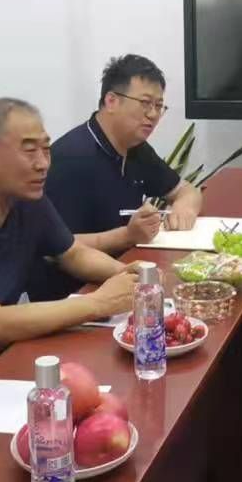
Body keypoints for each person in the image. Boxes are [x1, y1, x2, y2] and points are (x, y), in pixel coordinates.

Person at [0, 98, 141, 345]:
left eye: (46, 149)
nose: (43, 164)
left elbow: (72, 254)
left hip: (15, 345)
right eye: (29, 151)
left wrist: (130, 276)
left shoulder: (27, 197)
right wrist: (99, 303)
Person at [32, 54, 203, 300]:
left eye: (159, 106)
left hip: (126, 273)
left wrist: (184, 208)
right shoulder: (71, 158)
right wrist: (127, 236)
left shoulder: (135, 148)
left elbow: (185, 190)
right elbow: (54, 248)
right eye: (145, 103)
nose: (153, 114)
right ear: (111, 101)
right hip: (77, 294)